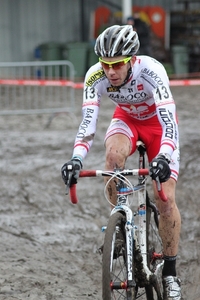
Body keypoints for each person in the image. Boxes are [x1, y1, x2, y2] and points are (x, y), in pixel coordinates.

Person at [61, 25, 181, 300]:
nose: (110, 71)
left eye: (116, 65)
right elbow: (88, 125)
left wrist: (163, 155)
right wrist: (76, 159)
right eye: (105, 64)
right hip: (126, 120)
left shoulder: (152, 71)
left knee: (165, 200)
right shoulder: (95, 76)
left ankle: (171, 273)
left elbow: (168, 120)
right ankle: (121, 222)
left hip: (158, 126)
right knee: (113, 156)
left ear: (131, 60)